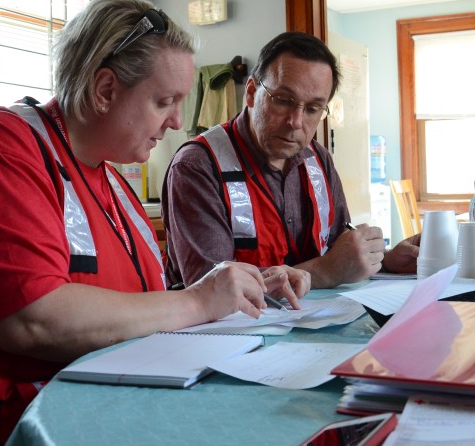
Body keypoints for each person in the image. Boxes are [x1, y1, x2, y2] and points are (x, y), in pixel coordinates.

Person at [0, 0, 310, 446]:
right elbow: (32, 321)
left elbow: (144, 304)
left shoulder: (111, 181)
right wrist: (198, 302)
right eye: (164, 101)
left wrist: (238, 287)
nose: (175, 122)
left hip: (73, 410)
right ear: (105, 90)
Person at [162, 31, 420, 289]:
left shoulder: (318, 160)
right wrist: (325, 272)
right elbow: (210, 289)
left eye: (312, 109)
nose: (295, 122)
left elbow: (340, 254)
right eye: (283, 101)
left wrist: (382, 261)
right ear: (251, 93)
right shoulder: (196, 166)